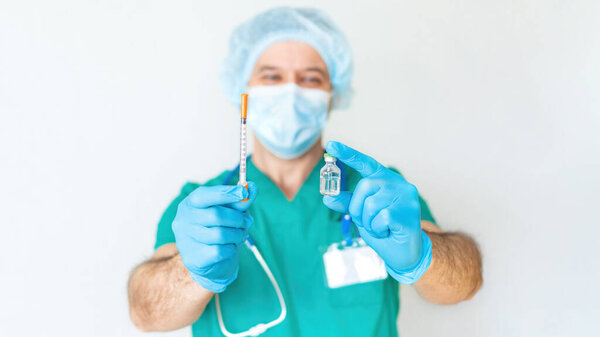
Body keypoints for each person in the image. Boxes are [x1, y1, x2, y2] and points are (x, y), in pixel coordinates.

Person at [128, 7, 482, 337]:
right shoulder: (202, 206)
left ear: (333, 94)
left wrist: (421, 255)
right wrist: (192, 273)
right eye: (272, 76)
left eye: (310, 79)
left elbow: (465, 281)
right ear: (243, 91)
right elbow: (145, 312)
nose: (291, 92)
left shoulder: (377, 191)